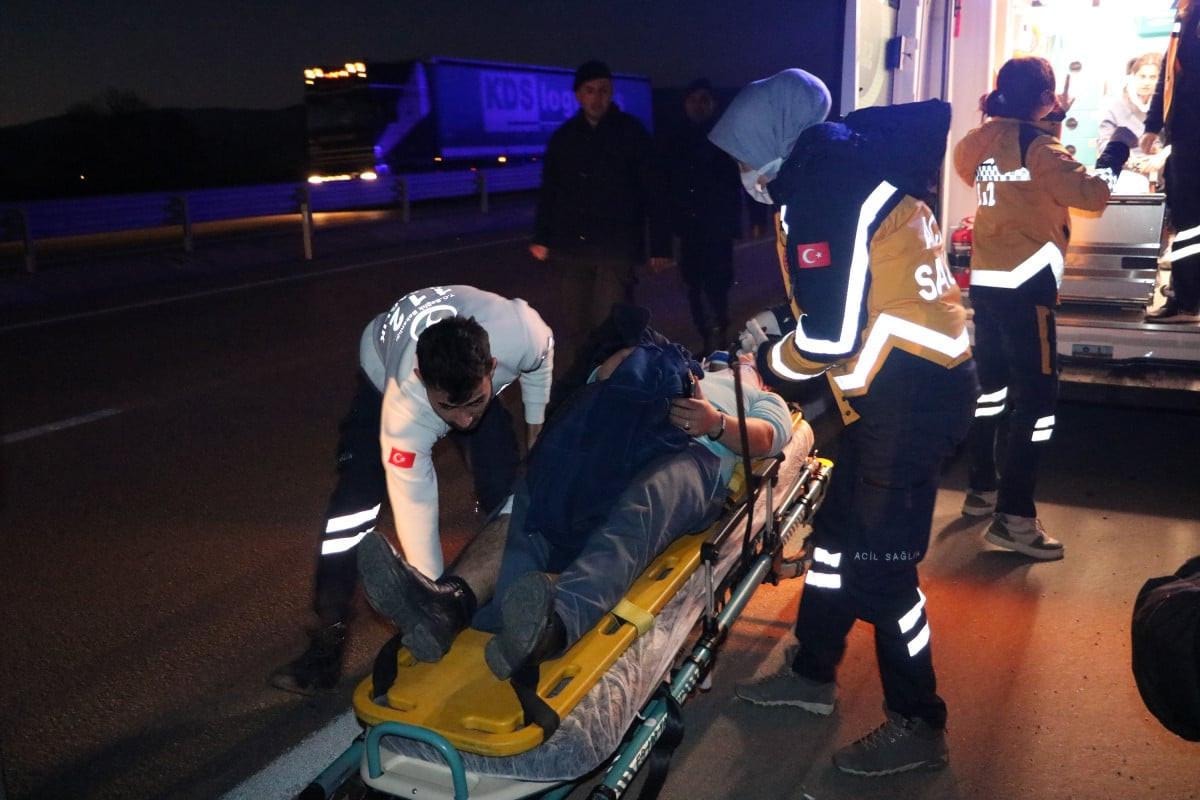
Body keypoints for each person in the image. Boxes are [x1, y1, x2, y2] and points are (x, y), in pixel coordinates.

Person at [708, 68, 978, 777]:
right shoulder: (839, 167)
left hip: (911, 399)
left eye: (742, 156)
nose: (740, 172)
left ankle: (919, 723)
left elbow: (827, 338)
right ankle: (812, 673)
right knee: (833, 540)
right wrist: (782, 321)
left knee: (883, 572)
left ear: (770, 143)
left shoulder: (823, 189)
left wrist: (767, 363)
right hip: (893, 393)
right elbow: (854, 288)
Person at [356, 342, 800, 681]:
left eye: (748, 360)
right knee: (535, 494)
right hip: (627, 435)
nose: (739, 359)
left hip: (697, 454)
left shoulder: (759, 396)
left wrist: (715, 423)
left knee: (641, 508)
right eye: (735, 356)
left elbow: (769, 438)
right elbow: (598, 387)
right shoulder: (684, 365)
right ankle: (449, 603)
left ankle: (556, 624)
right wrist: (618, 364)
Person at [269, 285, 553, 695]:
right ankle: (328, 636)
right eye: (448, 408)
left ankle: (512, 599)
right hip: (381, 365)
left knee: (507, 492)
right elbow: (416, 511)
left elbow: (541, 361)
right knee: (352, 508)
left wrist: (536, 433)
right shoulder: (404, 409)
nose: (464, 421)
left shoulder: (522, 332)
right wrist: (435, 607)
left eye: (473, 403)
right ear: (422, 380)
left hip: (469, 366)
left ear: (492, 366)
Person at [954, 57, 1133, 560]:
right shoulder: (1041, 149)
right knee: (1037, 404)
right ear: (1046, 97)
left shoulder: (976, 142)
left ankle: (981, 489)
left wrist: (1046, 121)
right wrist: (1116, 152)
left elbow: (1018, 165)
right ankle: (1014, 518)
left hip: (987, 284)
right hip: (1027, 288)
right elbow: (1092, 195)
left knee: (991, 391)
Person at [529, 60, 671, 363]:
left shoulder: (631, 133)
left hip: (616, 247)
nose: (597, 98)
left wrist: (660, 245)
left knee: (610, 321)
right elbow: (550, 190)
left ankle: (613, 378)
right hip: (571, 245)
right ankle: (586, 379)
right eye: (590, 90)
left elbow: (655, 191)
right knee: (576, 322)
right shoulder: (565, 137)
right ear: (578, 95)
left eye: (604, 90)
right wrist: (542, 236)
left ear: (611, 93)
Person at [663, 78, 743, 353]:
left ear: (713, 104)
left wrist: (742, 221)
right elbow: (666, 184)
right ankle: (708, 338)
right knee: (693, 285)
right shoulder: (674, 140)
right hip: (689, 228)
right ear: (685, 104)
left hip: (718, 228)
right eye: (693, 100)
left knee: (718, 284)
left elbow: (739, 179)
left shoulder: (726, 137)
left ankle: (720, 335)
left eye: (704, 100)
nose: (698, 105)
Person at [1141, 0, 1200, 322]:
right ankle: (1187, 296)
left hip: (1191, 139)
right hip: (1185, 138)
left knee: (1189, 223)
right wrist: (1153, 125)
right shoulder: (1186, 17)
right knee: (1186, 221)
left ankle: (1187, 300)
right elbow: (1169, 75)